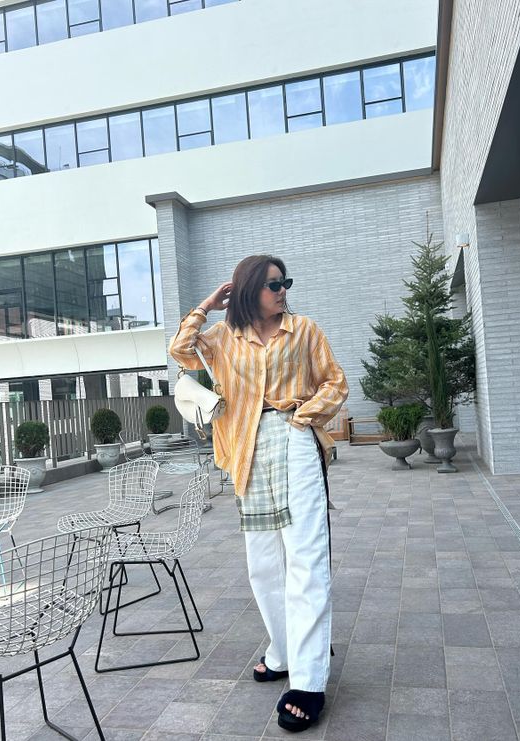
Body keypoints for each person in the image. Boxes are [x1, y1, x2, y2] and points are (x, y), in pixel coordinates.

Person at [169, 254, 348, 732]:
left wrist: (302, 417)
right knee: (264, 565)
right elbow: (180, 350)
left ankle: (308, 682)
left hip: (295, 441)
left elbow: (335, 382)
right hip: (246, 450)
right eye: (273, 284)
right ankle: (285, 650)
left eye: (285, 282)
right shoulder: (224, 337)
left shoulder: (304, 330)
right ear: (249, 289)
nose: (282, 290)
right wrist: (207, 305)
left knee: (306, 559)